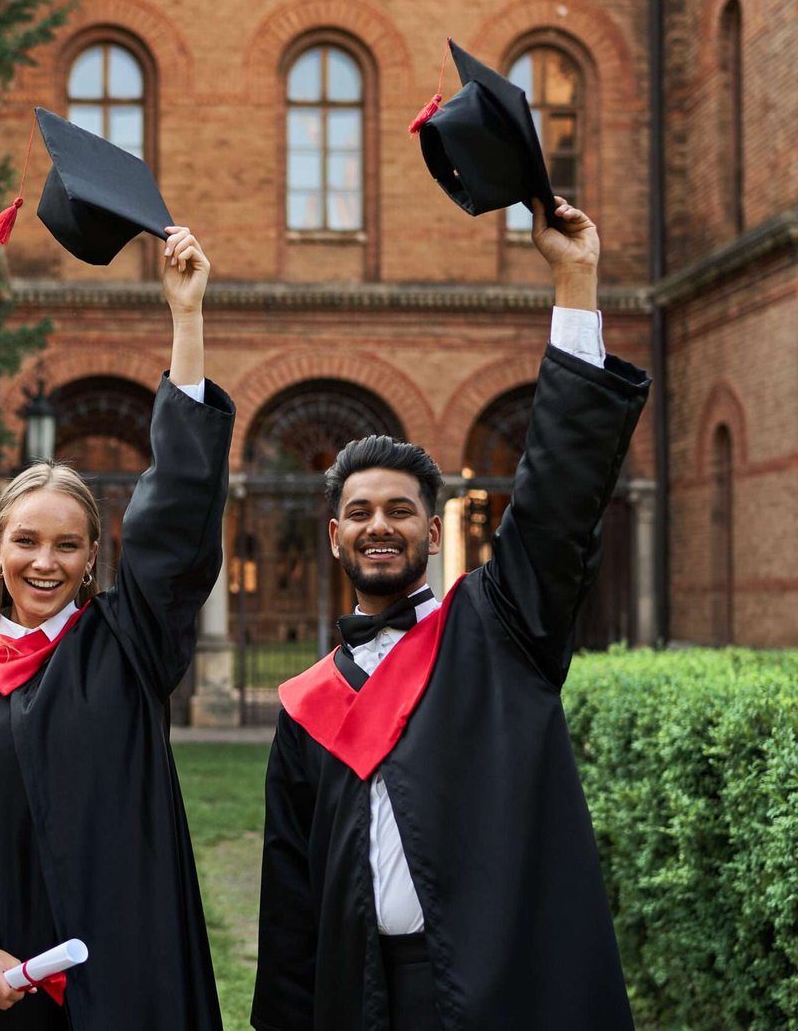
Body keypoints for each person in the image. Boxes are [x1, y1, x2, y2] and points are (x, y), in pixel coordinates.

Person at [250, 197, 650, 1031]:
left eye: (399, 511)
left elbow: (556, 502)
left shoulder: (500, 631)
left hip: (484, 984)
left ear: (432, 533)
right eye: (359, 513)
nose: (379, 527)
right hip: (358, 992)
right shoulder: (305, 710)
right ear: (334, 537)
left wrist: (575, 281)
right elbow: (290, 904)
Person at [0, 225, 234, 1030]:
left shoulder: (126, 647)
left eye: (67, 546)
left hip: (134, 981)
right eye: (25, 541)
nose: (43, 562)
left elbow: (174, 509)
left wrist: (186, 321)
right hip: (8, 992)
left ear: (92, 560)